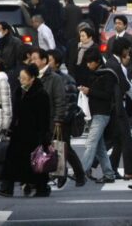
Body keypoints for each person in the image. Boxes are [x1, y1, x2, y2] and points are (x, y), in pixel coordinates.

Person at [0, 64, 51, 197]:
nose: (21, 81)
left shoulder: (41, 93)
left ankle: (41, 187)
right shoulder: (19, 91)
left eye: (24, 78)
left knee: (35, 162)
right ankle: (7, 188)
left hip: (34, 134)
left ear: (32, 78)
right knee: (11, 160)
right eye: (20, 78)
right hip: (18, 132)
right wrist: (10, 128)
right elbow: (15, 112)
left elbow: (45, 117)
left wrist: (44, 137)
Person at [46, 49, 87, 187]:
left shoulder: (66, 79)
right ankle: (60, 174)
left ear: (57, 63)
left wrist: (61, 118)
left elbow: (70, 102)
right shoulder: (46, 77)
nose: (47, 62)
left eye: (50, 60)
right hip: (51, 118)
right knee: (53, 148)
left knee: (65, 148)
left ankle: (79, 174)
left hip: (63, 120)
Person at [77, 48, 118, 184]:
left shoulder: (108, 75)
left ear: (97, 61)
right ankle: (109, 174)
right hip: (93, 113)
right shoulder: (94, 74)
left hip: (102, 113)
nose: (88, 66)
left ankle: (81, 171)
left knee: (91, 143)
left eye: (90, 63)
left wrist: (90, 91)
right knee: (100, 148)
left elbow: (107, 95)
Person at [104, 37, 132, 179]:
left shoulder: (113, 62)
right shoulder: (115, 65)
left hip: (114, 106)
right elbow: (126, 85)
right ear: (122, 49)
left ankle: (112, 168)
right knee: (126, 139)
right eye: (127, 49)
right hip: (117, 106)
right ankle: (129, 171)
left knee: (117, 140)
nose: (129, 51)